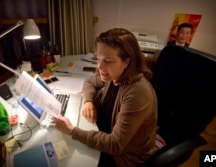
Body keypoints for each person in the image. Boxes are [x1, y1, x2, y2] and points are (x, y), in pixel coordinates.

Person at [54, 28, 158, 167]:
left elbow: (114, 145)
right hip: (104, 131)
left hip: (125, 157)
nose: (100, 67)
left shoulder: (137, 93)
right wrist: (89, 101)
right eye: (98, 59)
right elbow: (90, 82)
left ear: (126, 62)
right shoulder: (115, 74)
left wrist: (72, 131)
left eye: (108, 61)